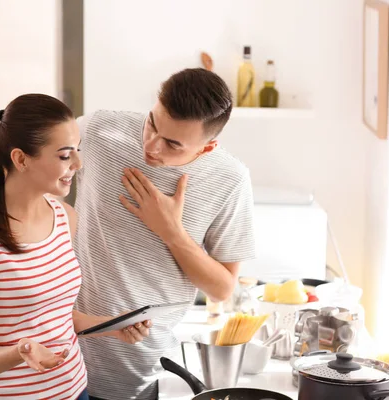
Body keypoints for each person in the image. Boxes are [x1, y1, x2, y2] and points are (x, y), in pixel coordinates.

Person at [0, 94, 151, 400]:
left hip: (75, 390)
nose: (78, 165)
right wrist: (21, 351)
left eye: (77, 151)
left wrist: (113, 326)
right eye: (64, 155)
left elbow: (57, 316)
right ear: (21, 159)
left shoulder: (65, 217)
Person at [72, 68, 257, 399]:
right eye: (152, 124)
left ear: (207, 147)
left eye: (173, 144)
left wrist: (171, 231)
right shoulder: (99, 130)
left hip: (141, 372)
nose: (152, 146)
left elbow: (222, 288)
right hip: (61, 355)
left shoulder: (230, 180)